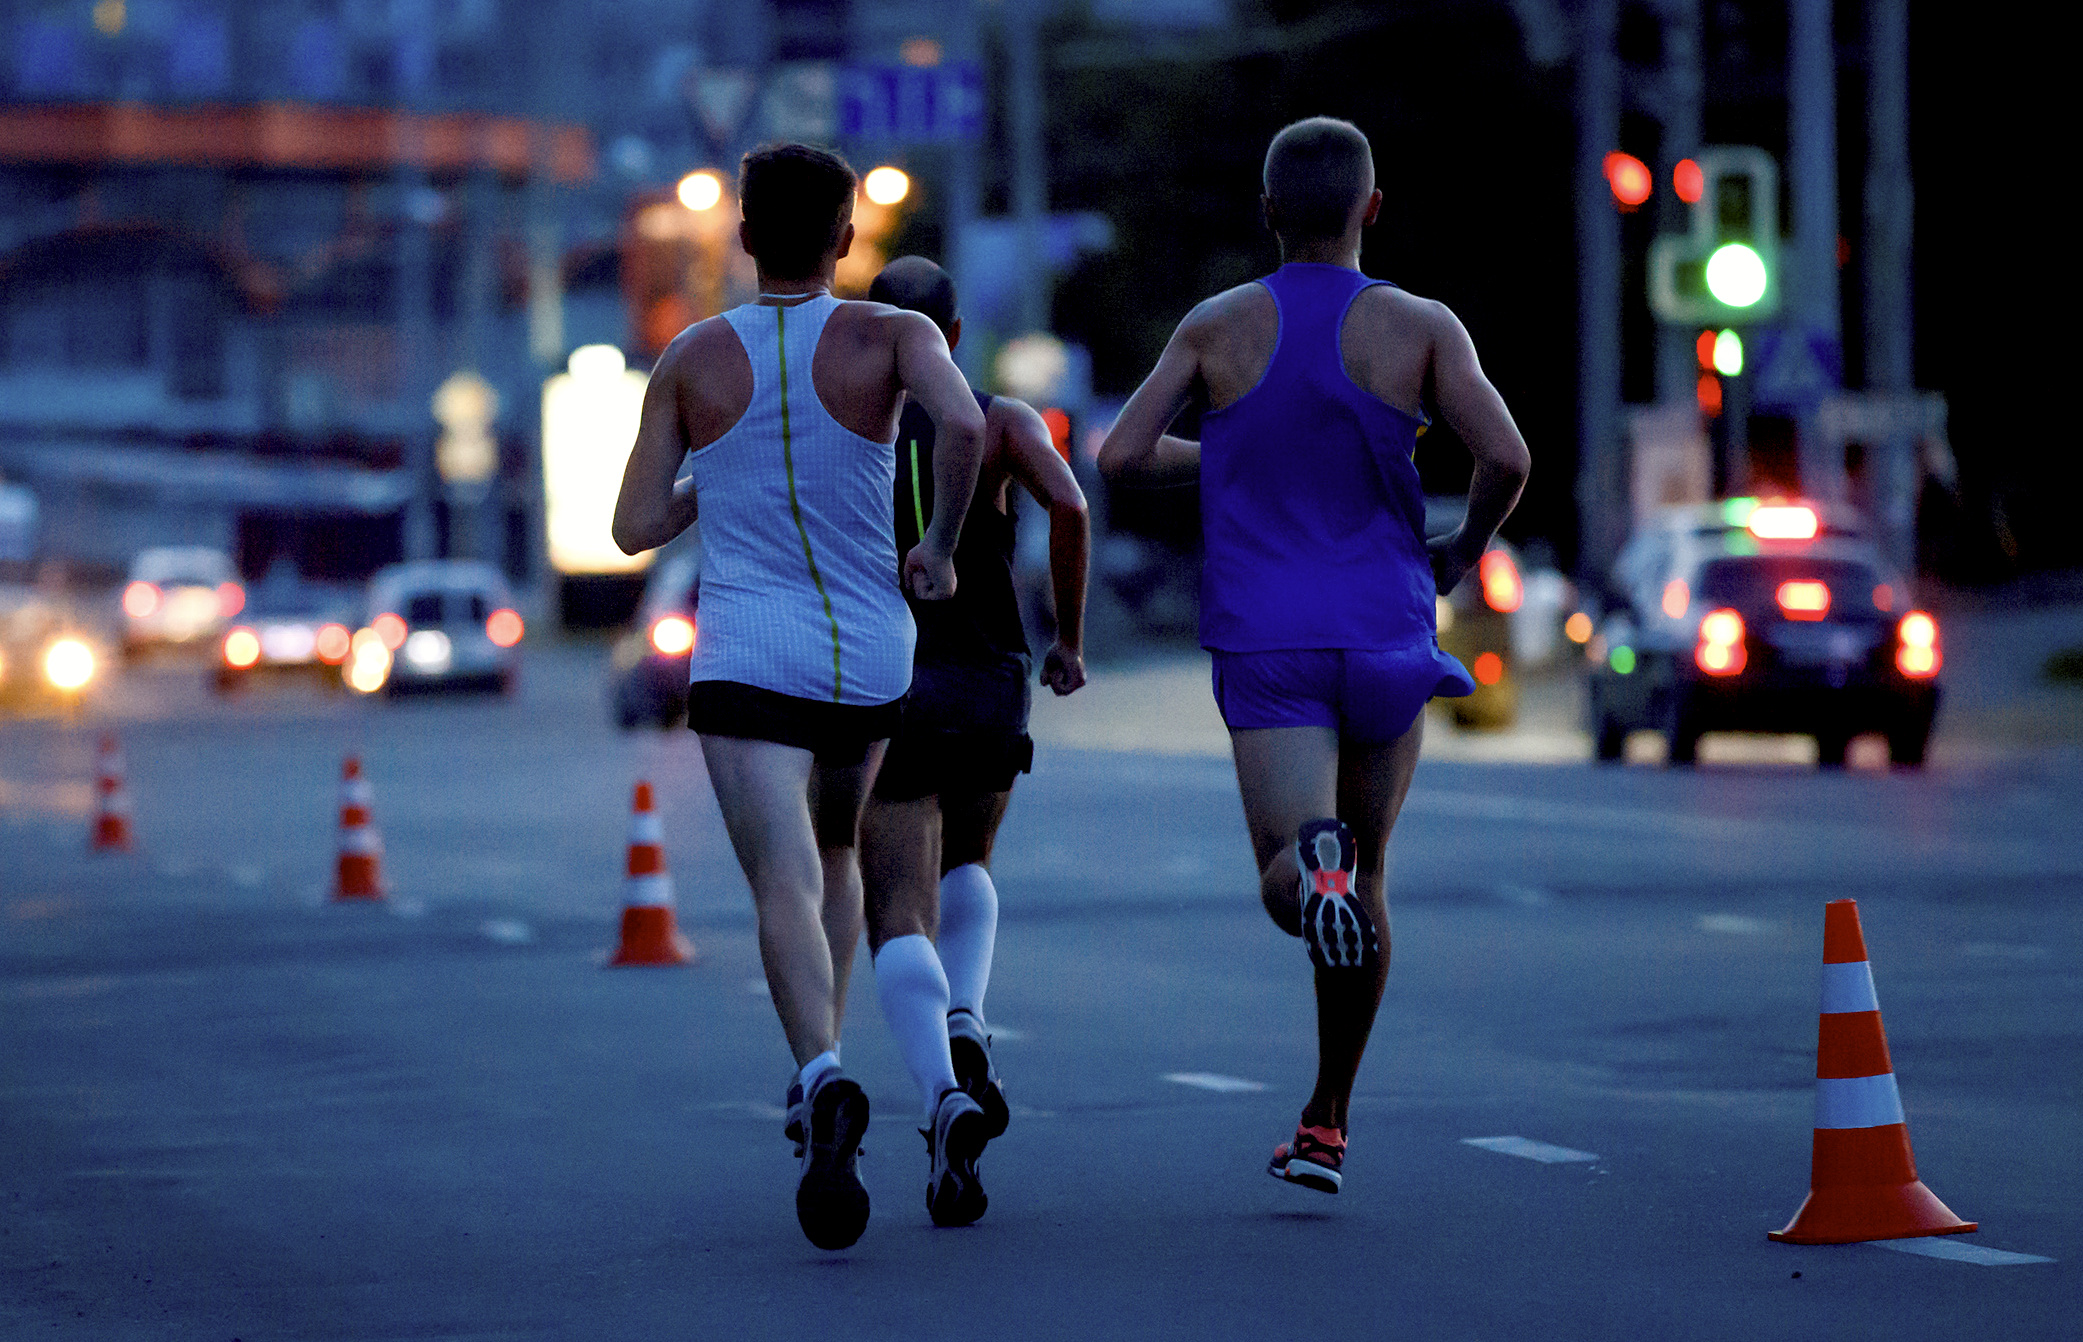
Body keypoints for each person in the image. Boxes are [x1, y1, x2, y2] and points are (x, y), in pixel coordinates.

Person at [1097, 117, 1530, 1195]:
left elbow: (1119, 455)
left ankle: (1313, 872)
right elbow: (1506, 455)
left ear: (1266, 212)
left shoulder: (1216, 326)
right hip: (1389, 628)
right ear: (1371, 210)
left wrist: (1234, 446)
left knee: (1293, 874)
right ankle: (1328, 1120)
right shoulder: (1423, 327)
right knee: (1369, 882)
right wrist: (1463, 550)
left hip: (1270, 638)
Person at [612, 143, 986, 1250]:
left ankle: (819, 1072)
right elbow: (963, 427)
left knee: (780, 873)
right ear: (842, 239)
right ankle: (830, 1060)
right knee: (836, 856)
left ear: (739, 237)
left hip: (747, 656)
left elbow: (631, 528)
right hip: (872, 654)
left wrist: (709, 478)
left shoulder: (690, 356)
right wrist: (938, 546)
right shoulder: (896, 336)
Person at [854, 256, 1090, 1227]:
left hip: (884, 680)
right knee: (971, 856)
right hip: (991, 677)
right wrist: (1069, 639)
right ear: (952, 336)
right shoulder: (999, 421)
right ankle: (968, 1017)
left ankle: (943, 1092)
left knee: (895, 905)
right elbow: (1070, 504)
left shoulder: (841, 430)